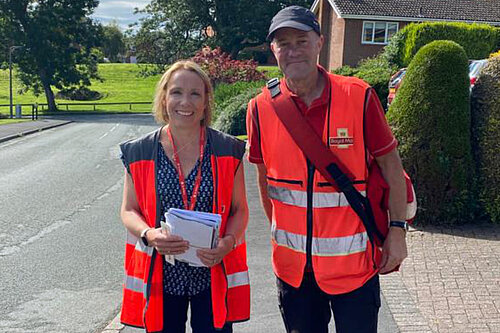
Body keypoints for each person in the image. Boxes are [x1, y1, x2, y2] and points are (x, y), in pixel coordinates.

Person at [246, 6, 408, 333]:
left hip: (354, 268)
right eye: (283, 43)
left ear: (319, 42)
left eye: (301, 41)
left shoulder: (358, 96)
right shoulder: (260, 108)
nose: (293, 51)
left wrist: (397, 230)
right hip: (294, 272)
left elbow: (392, 167)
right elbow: (265, 185)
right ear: (273, 50)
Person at [119, 60, 250, 333]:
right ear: (164, 97)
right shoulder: (139, 151)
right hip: (161, 273)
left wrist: (228, 242)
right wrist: (149, 234)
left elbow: (240, 210)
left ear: (205, 103)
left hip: (211, 270)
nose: (185, 102)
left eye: (195, 94)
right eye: (177, 92)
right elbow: (129, 210)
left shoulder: (228, 149)